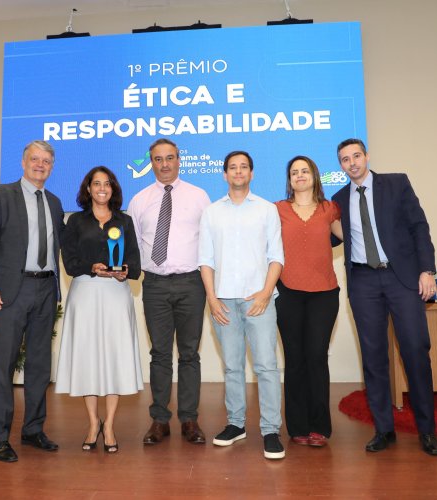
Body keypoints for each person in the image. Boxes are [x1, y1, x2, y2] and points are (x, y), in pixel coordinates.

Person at [331, 138, 437, 456]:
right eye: (344, 159)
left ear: (367, 156)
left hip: (401, 277)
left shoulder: (396, 183)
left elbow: (419, 226)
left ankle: (427, 431)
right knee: (373, 357)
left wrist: (427, 270)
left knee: (416, 352)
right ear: (339, 165)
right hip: (363, 280)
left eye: (356, 156)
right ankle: (383, 429)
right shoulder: (338, 199)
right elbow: (329, 237)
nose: (352, 162)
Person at [0, 140, 65, 462]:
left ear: (52, 167)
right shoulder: (1, 195)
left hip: (45, 291)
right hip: (12, 291)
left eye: (46, 161)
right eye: (34, 159)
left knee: (40, 366)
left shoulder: (55, 203)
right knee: (3, 365)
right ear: (23, 162)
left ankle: (33, 430)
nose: (40, 165)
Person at [198, 150, 286, 460]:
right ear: (224, 174)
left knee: (266, 366)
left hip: (258, 301)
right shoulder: (211, 212)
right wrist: (211, 297)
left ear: (251, 173)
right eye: (232, 168)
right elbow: (205, 260)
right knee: (232, 366)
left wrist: (265, 293)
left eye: (244, 167)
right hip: (222, 301)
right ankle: (236, 424)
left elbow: (276, 256)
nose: (238, 172)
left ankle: (271, 430)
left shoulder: (266, 210)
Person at [127, 138, 211, 445]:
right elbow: (133, 246)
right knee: (160, 354)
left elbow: (210, 243)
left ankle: (189, 419)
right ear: (151, 162)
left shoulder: (200, 196)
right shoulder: (139, 201)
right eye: (158, 159)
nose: (164, 164)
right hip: (155, 285)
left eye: (170, 158)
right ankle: (159, 421)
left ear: (179, 160)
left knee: (189, 354)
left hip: (191, 283)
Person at [55, 166, 143, 454]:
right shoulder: (75, 221)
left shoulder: (125, 221)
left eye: (107, 184)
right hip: (85, 293)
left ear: (113, 189)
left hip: (116, 295)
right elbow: (69, 262)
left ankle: (110, 426)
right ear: (88, 189)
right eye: (96, 183)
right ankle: (93, 422)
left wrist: (125, 272)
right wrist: (91, 268)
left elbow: (135, 264)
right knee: (88, 358)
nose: (102, 188)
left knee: (115, 357)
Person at [275, 155, 343, 448]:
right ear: (289, 180)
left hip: (324, 293)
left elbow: (353, 238)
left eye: (305, 171)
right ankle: (298, 427)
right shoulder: (277, 209)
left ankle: (320, 427)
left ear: (315, 176)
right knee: (295, 359)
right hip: (288, 293)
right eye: (294, 172)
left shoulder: (330, 209)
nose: (300, 176)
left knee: (316, 356)